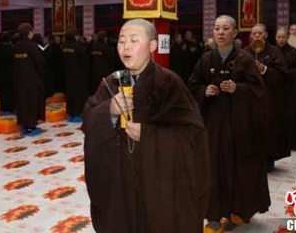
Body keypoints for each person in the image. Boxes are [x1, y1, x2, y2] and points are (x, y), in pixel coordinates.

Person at [82, 18, 210, 233]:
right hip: (120, 181)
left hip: (159, 182)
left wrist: (149, 135)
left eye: (134, 40)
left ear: (152, 46)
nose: (126, 47)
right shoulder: (112, 82)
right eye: (121, 41)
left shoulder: (169, 83)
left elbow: (192, 134)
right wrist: (109, 111)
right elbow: (89, 122)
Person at [189, 15, 270, 232]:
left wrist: (238, 89)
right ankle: (213, 215)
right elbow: (193, 85)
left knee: (241, 167)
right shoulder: (206, 59)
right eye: (217, 28)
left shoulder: (245, 59)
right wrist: (204, 91)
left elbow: (259, 91)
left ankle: (239, 210)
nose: (221, 32)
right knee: (213, 168)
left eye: (226, 28)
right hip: (214, 125)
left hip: (240, 125)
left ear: (235, 33)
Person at [245, 23, 289, 172]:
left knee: (268, 130)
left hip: (269, 98)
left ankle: (268, 162)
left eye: (259, 33)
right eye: (253, 33)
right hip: (250, 99)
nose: (256, 36)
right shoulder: (245, 52)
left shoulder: (275, 52)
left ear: (266, 35)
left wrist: (264, 70)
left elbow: (282, 74)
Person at [275, 27, 296, 150]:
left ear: (288, 38)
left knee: (291, 114)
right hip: (277, 89)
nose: (280, 40)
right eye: (278, 37)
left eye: (283, 37)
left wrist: (288, 73)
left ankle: (293, 142)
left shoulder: (293, 52)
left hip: (291, 89)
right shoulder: (273, 52)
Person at [13, 23, 45, 136]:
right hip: (32, 79)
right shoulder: (32, 46)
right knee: (31, 101)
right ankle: (31, 125)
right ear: (29, 33)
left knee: (22, 101)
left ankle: (23, 124)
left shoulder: (16, 46)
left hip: (19, 79)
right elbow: (39, 62)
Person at [62, 28, 90, 121]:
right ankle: (79, 112)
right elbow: (84, 61)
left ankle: (71, 112)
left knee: (70, 94)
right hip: (78, 75)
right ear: (75, 36)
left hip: (67, 74)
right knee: (79, 94)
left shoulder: (64, 46)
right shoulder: (77, 46)